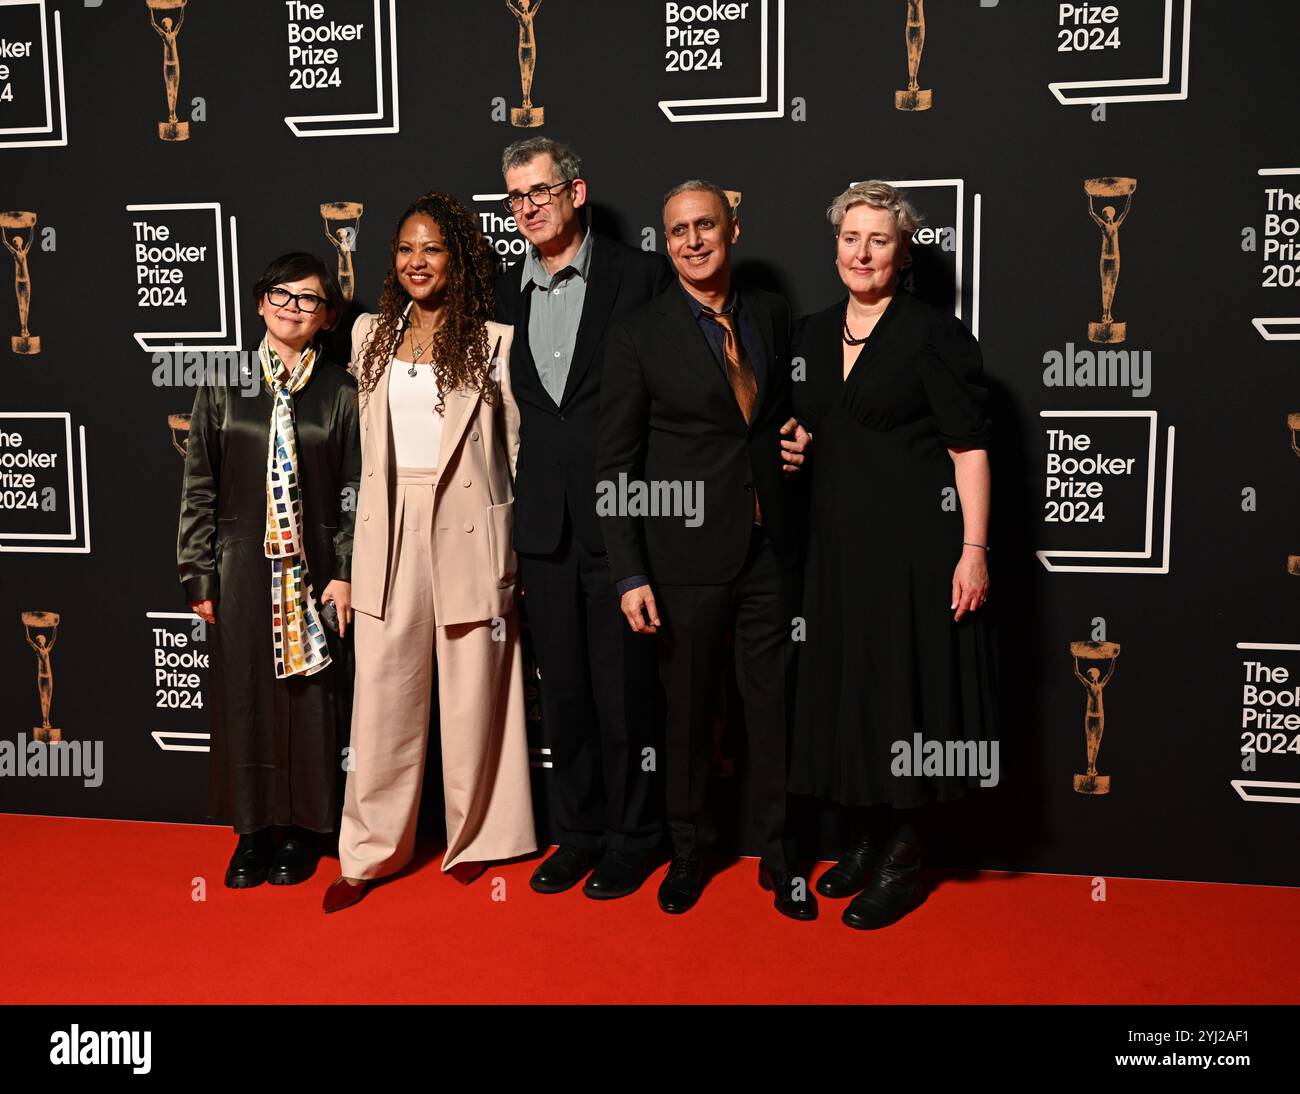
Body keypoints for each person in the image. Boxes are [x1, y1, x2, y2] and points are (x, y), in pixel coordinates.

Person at [596, 180, 813, 919]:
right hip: (682, 559)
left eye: (706, 225)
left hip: (769, 550)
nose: (692, 240)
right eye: (678, 229)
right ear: (665, 240)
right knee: (687, 718)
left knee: (774, 709)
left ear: (733, 229)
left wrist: (800, 441)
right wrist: (629, 570)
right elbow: (616, 463)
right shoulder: (637, 334)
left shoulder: (772, 316)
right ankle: (688, 854)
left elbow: (782, 417)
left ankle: (782, 857)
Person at [789, 180, 996, 930]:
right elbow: (821, 429)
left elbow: (969, 450)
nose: (863, 252)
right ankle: (866, 839)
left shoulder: (933, 333)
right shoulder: (810, 335)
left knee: (905, 693)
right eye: (852, 237)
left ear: (903, 253)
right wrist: (797, 446)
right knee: (852, 695)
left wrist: (973, 550)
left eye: (879, 240)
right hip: (833, 554)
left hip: (913, 553)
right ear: (835, 243)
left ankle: (905, 856)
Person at [324, 192, 536, 913]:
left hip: (470, 522)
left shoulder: (494, 342)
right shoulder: (367, 337)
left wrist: (514, 547)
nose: (418, 262)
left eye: (433, 249)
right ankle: (370, 851)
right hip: (388, 527)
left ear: (460, 259)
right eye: (407, 249)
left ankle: (479, 836)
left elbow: (515, 451)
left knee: (476, 685)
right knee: (382, 690)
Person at [494, 136, 674, 899]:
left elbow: (688, 385)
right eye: (515, 197)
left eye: (540, 191)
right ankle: (578, 833)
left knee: (625, 693)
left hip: (622, 523)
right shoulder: (501, 295)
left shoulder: (642, 277)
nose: (528, 207)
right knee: (562, 693)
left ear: (577, 192)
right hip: (541, 527)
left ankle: (636, 837)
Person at [178, 251, 360, 889]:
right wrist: (199, 574)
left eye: (309, 299)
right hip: (241, 572)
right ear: (259, 302)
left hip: (313, 573)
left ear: (327, 317)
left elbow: (355, 488)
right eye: (281, 295)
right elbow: (199, 484)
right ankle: (252, 835)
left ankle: (308, 832)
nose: (293, 308)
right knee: (246, 698)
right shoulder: (222, 381)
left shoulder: (341, 391)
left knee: (311, 702)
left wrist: (343, 570)